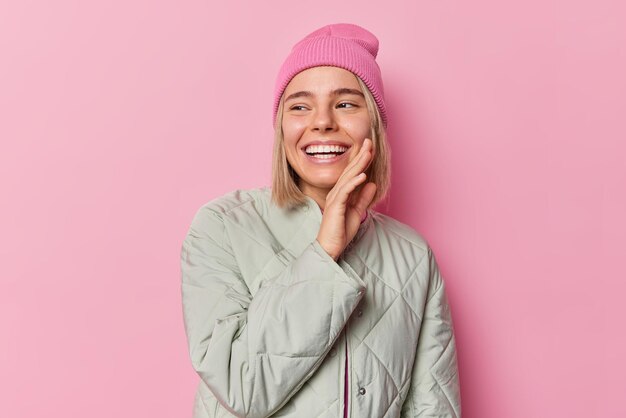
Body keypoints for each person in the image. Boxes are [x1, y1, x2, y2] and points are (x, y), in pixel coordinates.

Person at [180, 23, 461, 418]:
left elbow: (433, 407)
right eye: (300, 106)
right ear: (281, 127)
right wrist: (324, 251)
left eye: (346, 104)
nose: (322, 122)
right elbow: (242, 389)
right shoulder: (223, 228)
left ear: (374, 124)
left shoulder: (413, 255)